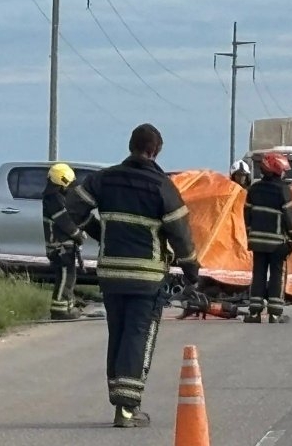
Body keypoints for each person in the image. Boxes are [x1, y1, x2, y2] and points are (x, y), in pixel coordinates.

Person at [66, 123, 201, 428]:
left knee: (118, 333)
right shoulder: (162, 186)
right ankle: (127, 408)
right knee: (138, 336)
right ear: (155, 151)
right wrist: (191, 270)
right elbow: (180, 235)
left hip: (112, 274)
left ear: (130, 146)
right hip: (146, 277)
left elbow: (73, 207)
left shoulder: (105, 179)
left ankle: (119, 400)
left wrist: (99, 232)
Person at [243, 152, 292, 324]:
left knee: (258, 274)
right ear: (278, 170)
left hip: (257, 241)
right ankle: (275, 313)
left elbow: (247, 215)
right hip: (277, 242)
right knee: (277, 274)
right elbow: (291, 219)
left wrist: (251, 233)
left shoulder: (254, 189)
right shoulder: (284, 191)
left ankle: (254, 313)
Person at [42, 163, 85, 321]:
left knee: (69, 276)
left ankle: (68, 306)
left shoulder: (54, 197)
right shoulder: (54, 199)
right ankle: (60, 310)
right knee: (66, 276)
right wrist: (77, 235)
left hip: (61, 245)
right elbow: (64, 221)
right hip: (59, 246)